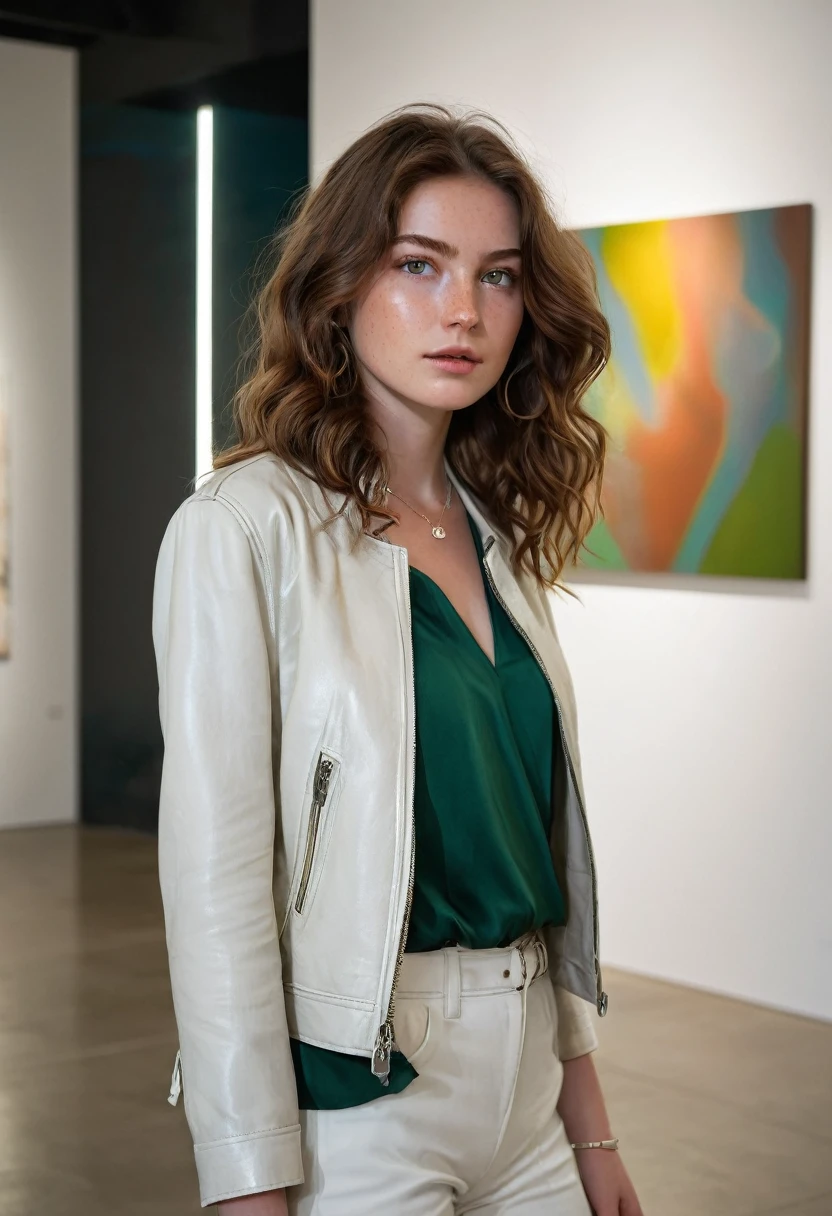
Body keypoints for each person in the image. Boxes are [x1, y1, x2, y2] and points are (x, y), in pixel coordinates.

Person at [152, 103, 644, 1216]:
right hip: (361, 1099)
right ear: (342, 282)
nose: (463, 310)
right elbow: (218, 889)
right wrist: (246, 1178)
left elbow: (538, 864)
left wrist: (591, 1123)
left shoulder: (498, 533)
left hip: (526, 1091)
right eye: (420, 264)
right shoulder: (242, 529)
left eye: (499, 276)